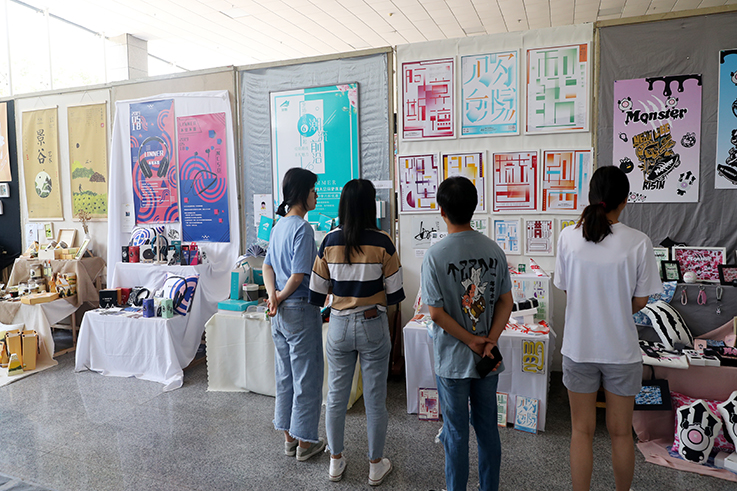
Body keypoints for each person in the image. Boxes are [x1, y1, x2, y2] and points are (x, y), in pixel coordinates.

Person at [554, 165, 662, 491]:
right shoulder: (639, 242)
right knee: (621, 433)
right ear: (625, 200)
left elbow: (567, 289)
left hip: (578, 348)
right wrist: (615, 309)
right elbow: (641, 300)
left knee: (580, 431)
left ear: (591, 196)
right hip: (621, 351)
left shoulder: (568, 237)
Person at [420, 176, 513, 491]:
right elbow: (506, 302)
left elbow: (436, 313)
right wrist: (489, 340)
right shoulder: (493, 250)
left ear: (441, 210)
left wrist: (470, 340)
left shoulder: (435, 255)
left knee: (456, 433)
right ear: (474, 207)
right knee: (488, 431)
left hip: (452, 361)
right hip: (487, 358)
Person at [309, 179, 404, 486]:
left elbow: (316, 291)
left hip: (338, 324)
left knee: (335, 397)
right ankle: (375, 466)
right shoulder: (383, 241)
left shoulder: (329, 240)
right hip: (373, 323)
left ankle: (335, 462)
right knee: (375, 399)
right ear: (370, 205)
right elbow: (395, 293)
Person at [263, 167, 325, 462]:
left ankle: (288, 438)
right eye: (313, 190)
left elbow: (267, 266)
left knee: (285, 375)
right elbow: (298, 276)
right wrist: (280, 296)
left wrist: (273, 297)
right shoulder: (303, 228)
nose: (316, 195)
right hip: (299, 310)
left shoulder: (278, 227)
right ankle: (305, 444)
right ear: (302, 193)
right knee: (306, 378)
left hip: (279, 314)